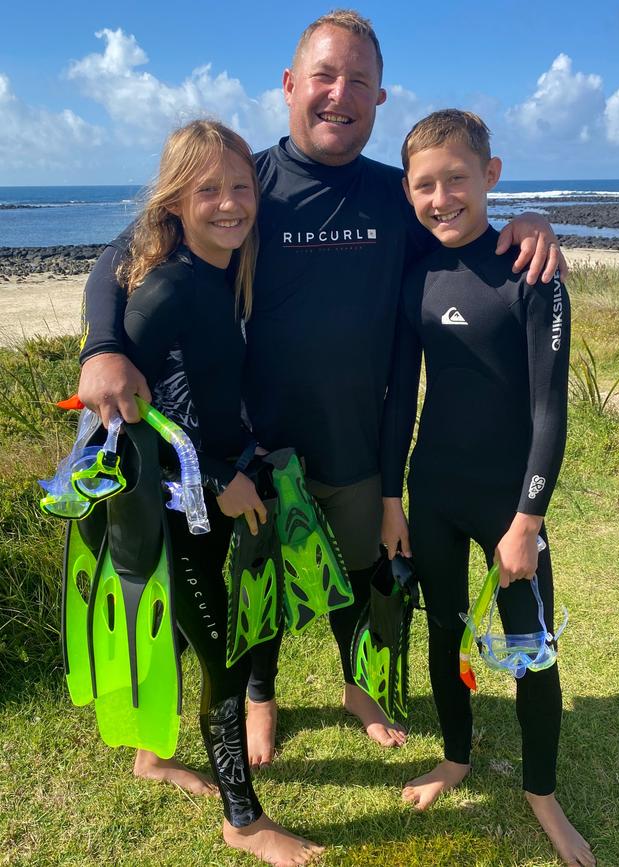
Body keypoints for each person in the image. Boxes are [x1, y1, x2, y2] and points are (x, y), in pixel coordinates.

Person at [77, 10, 567, 780]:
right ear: (289, 87)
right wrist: (103, 345)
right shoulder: (247, 186)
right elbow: (124, 252)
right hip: (260, 440)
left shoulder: (392, 196)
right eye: (325, 77)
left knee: (366, 573)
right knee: (260, 579)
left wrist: (530, 224)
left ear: (378, 100)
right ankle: (263, 694)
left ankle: (357, 689)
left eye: (359, 84)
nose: (340, 95)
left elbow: (463, 230)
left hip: (358, 436)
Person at [380, 109, 594, 867]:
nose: (443, 197)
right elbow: (401, 397)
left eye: (458, 179)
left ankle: (542, 792)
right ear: (409, 192)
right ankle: (458, 754)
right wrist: (391, 498)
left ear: (491, 176)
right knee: (444, 631)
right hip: (432, 490)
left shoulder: (532, 275)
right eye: (426, 186)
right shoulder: (416, 275)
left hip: (509, 502)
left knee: (532, 651)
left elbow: (548, 408)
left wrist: (527, 520)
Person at [117, 118, 323, 867]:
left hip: (224, 479)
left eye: (242, 187)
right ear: (176, 199)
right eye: (210, 190)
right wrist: (213, 479)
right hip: (180, 503)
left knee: (183, 628)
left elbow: (203, 387)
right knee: (222, 658)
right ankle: (242, 818)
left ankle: (148, 754)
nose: (232, 203)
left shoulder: (226, 265)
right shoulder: (168, 286)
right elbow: (131, 418)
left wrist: (247, 455)